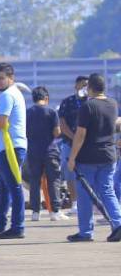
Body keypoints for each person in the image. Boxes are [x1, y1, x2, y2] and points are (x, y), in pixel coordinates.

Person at [65, 73, 121, 242]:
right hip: (108, 155)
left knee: (84, 194)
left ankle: (86, 231)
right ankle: (118, 223)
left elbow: (81, 134)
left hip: (88, 157)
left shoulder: (87, 107)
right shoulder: (113, 104)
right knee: (107, 190)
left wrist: (72, 157)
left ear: (90, 88)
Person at [0, 63, 28, 239]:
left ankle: (18, 226)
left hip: (10, 147)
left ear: (11, 78)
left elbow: (2, 123)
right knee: (4, 186)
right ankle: (1, 222)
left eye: (1, 78)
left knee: (14, 187)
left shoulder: (7, 96)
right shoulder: (10, 94)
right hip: (8, 146)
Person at [25, 86, 67, 222]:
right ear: (46, 98)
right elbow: (56, 132)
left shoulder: (28, 112)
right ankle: (55, 211)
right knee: (53, 180)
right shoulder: (51, 111)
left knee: (34, 181)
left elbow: (25, 131)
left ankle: (35, 212)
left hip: (33, 150)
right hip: (50, 150)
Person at [57, 76, 90, 206]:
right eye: (82, 85)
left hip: (88, 144)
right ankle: (75, 201)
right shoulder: (67, 102)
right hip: (69, 143)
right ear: (76, 86)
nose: (84, 88)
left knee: (88, 171)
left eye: (86, 85)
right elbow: (62, 125)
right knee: (69, 171)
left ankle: (89, 201)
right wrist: (75, 138)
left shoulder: (91, 102)